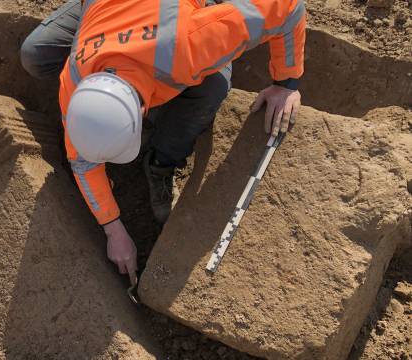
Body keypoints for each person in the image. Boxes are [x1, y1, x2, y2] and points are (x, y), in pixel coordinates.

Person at [21, 0, 305, 280]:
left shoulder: (192, 44)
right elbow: (82, 164)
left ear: (143, 113)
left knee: (214, 86)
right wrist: (113, 229)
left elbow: (289, 7)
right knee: (35, 54)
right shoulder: (73, 78)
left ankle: (163, 162)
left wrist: (286, 83)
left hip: (173, 26)